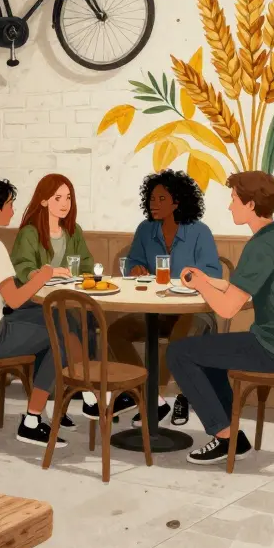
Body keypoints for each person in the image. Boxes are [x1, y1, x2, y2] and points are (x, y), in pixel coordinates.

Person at [168, 171, 274, 465]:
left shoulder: (260, 246)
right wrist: (209, 280)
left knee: (179, 352)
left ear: (251, 204)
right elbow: (245, 292)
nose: (229, 207)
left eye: (234, 200)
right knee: (209, 349)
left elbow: (227, 310)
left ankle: (226, 438)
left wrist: (199, 285)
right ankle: (232, 433)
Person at [0, 177, 82, 448]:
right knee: (61, 336)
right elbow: (17, 299)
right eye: (9, 204)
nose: (12, 209)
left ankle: (74, 400)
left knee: (58, 318)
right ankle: (32, 420)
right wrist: (43, 275)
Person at [109, 170, 222, 428]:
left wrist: (191, 278)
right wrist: (136, 268)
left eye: (161, 198)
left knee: (179, 340)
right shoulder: (146, 230)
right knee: (115, 332)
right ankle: (151, 397)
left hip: (195, 311)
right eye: (151, 198)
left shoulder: (199, 232)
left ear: (177, 201)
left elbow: (215, 273)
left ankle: (173, 396)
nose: (153, 203)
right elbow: (134, 262)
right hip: (155, 311)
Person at [11, 173, 94, 285]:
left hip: (67, 293)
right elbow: (23, 267)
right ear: (43, 201)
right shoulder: (29, 233)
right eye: (58, 198)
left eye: (68, 198)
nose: (65, 204)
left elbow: (86, 264)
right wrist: (47, 274)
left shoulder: (74, 230)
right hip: (35, 295)